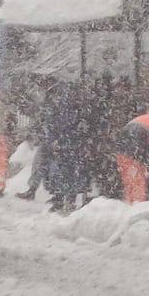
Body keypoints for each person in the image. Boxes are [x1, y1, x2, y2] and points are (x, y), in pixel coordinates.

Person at [44, 80, 94, 213]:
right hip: (72, 145)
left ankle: (62, 199)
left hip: (67, 145)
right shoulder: (79, 109)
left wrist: (54, 141)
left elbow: (52, 126)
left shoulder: (61, 108)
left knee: (64, 173)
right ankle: (67, 199)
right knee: (71, 173)